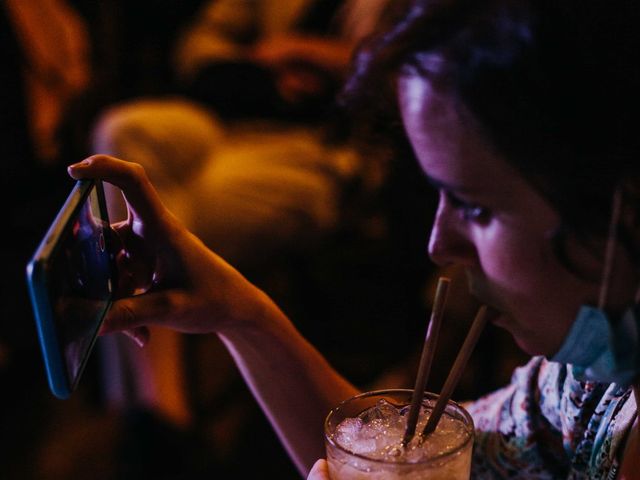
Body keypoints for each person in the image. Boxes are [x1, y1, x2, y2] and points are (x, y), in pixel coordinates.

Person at [65, 0, 639, 478]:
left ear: (621, 203)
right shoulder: (584, 384)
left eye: (473, 205)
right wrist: (242, 314)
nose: (440, 244)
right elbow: (407, 462)